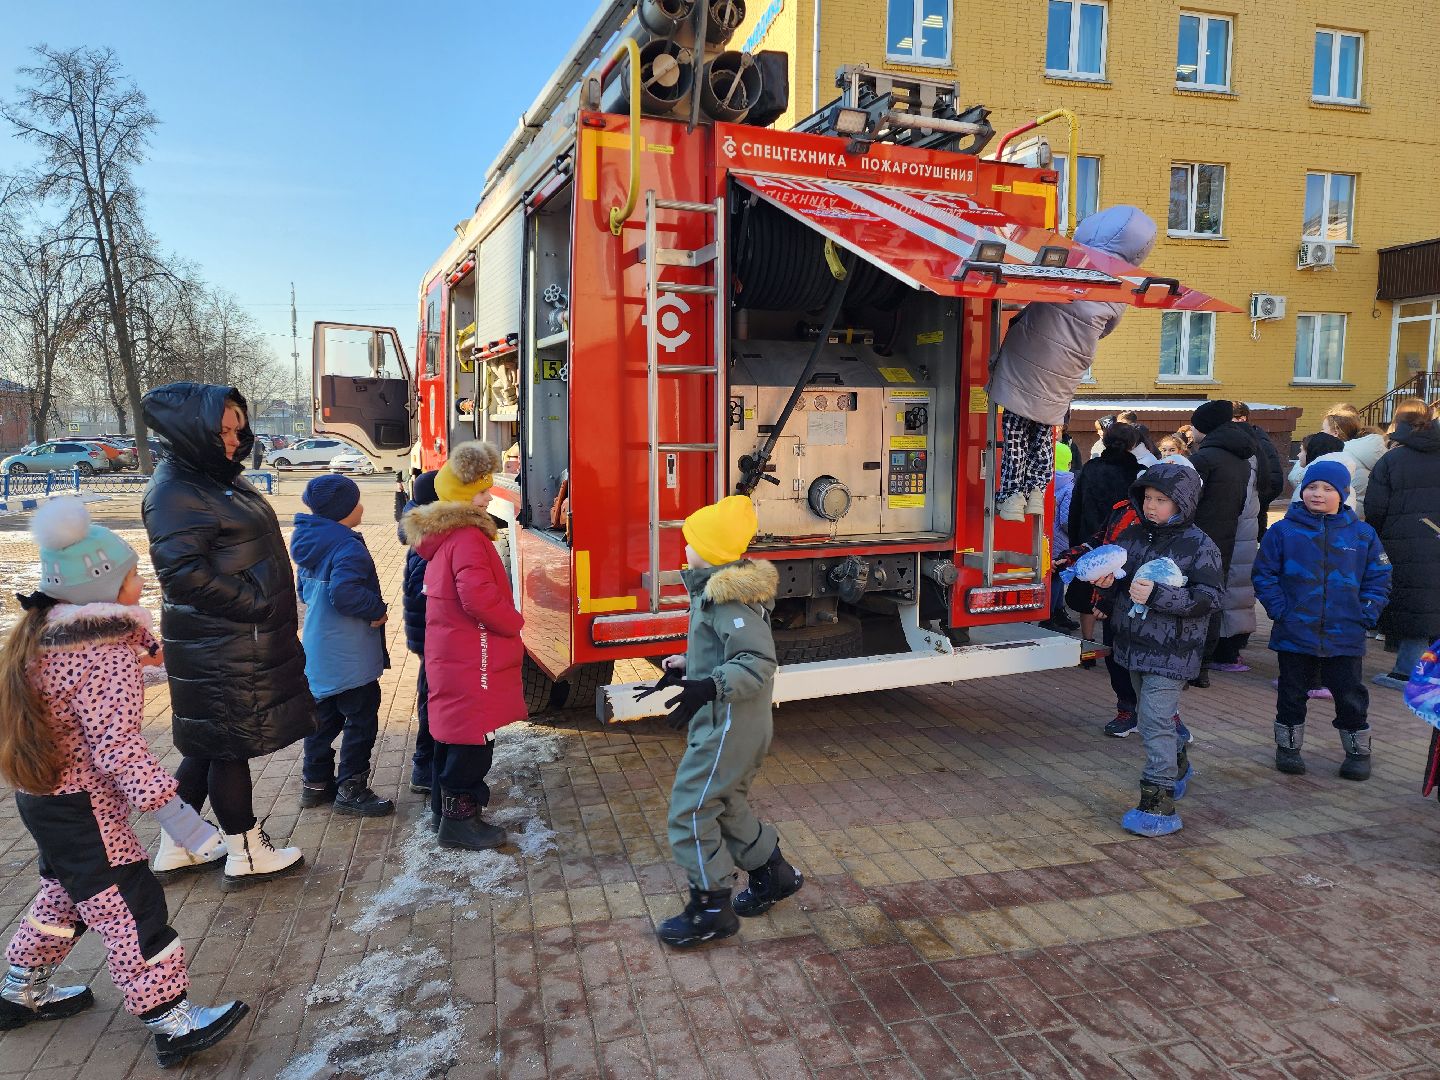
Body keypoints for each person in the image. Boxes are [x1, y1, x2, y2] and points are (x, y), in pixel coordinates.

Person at [0, 498, 246, 1067]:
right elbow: (119, 750)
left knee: (68, 895)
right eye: (134, 574)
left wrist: (168, 658)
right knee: (127, 906)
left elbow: (113, 682)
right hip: (84, 807)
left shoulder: (53, 635)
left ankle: (20, 987)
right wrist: (183, 822)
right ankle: (172, 1017)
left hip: (46, 800)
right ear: (102, 587)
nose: (143, 582)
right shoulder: (103, 654)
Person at [141, 383, 308, 887]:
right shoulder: (175, 490)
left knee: (209, 744)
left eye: (239, 428)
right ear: (193, 433)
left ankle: (180, 842)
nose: (235, 439)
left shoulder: (211, 479)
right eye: (224, 431)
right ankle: (247, 850)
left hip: (229, 641)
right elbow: (183, 575)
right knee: (228, 746)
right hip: (223, 643)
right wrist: (256, 604)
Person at [644, 495, 802, 948]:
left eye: (689, 542)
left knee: (691, 811)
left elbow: (756, 660)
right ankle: (775, 874)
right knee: (726, 803)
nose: (683, 551)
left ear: (709, 552)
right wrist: (688, 665)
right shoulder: (717, 592)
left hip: (728, 725)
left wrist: (710, 686)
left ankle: (711, 908)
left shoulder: (725, 597)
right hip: (733, 722)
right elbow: (724, 652)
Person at [986, 207, 1157, 520]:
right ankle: (1036, 492)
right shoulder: (1120, 287)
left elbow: (1022, 292)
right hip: (1066, 372)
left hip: (1027, 361)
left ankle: (1011, 497)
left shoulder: (1066, 265)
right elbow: (1104, 330)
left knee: (1014, 433)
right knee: (1042, 435)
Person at [402, 441, 524, 850]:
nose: (490, 497)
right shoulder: (470, 538)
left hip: (455, 652)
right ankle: (459, 821)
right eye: (482, 491)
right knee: (473, 738)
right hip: (474, 654)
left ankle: (444, 809)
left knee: (453, 734)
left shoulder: (446, 536)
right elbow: (478, 598)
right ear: (463, 497)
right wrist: (514, 621)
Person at [1093, 463, 1223, 837]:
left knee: (1151, 720)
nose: (1151, 506)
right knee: (1154, 718)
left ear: (1182, 502)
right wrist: (1107, 585)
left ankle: (1157, 800)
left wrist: (1160, 595)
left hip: (1174, 650)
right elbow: (1122, 582)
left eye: (1161, 500)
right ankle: (1178, 759)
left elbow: (1211, 598)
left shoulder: (1200, 545)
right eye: (1147, 498)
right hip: (1132, 646)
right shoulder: (1133, 536)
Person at [1255, 461, 1391, 779]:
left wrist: (1366, 613)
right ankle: (1288, 748)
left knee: (1350, 695)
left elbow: (1380, 576)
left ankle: (1358, 752)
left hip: (1346, 633)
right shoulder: (1283, 531)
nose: (1318, 494)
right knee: (1291, 693)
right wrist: (1280, 610)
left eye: (1328, 489)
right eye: (1312, 487)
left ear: (1343, 494)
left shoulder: (1362, 534)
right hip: (1295, 631)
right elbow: (1264, 574)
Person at [291, 474, 394, 817]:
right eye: (357, 500)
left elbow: (304, 592)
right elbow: (345, 593)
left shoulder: (309, 541)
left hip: (320, 652)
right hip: (349, 655)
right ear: (344, 510)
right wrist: (377, 610)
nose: (362, 506)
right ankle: (351, 788)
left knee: (322, 721)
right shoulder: (347, 545)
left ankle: (315, 784)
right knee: (361, 720)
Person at [1366, 399, 1440, 690]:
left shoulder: (1392, 460)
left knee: (1414, 606)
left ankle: (1406, 670)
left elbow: (1375, 507)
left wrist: (1381, 536)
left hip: (1405, 540)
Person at [1185, 399, 1256, 687]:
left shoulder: (1203, 459)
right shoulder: (1241, 459)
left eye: (1194, 424)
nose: (1190, 430)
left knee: (1187, 602)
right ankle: (1202, 667)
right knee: (1211, 601)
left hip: (1193, 540)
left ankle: (1187, 665)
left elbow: (1184, 501)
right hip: (1223, 540)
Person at [1067, 423, 1145, 643]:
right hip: (1124, 544)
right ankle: (1112, 643)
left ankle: (1088, 644)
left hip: (1089, 537)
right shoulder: (1137, 472)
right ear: (1133, 444)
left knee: (1087, 594)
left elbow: (1076, 506)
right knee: (1117, 591)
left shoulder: (1091, 468)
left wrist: (1076, 543)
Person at [399, 470, 440, 793]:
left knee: (431, 697)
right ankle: (424, 768)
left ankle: (426, 765)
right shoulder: (429, 545)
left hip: (429, 637)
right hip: (433, 638)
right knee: (432, 700)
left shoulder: (423, 535)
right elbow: (422, 593)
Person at [1209, 451, 1260, 673]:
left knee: (1228, 592)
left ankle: (1225, 653)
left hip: (1228, 534)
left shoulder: (1224, 463)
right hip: (1247, 533)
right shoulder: (1255, 463)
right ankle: (1233, 650)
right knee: (1240, 591)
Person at [1041, 442, 1079, 632]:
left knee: (1048, 575)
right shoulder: (1069, 486)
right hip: (1060, 540)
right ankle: (1051, 616)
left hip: (1044, 536)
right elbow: (1066, 520)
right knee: (1056, 578)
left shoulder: (1044, 480)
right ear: (1069, 462)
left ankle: (1051, 613)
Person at [1230, 404, 1284, 536]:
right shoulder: (1235, 440)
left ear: (1241, 419)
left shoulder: (1259, 442)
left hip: (1252, 519)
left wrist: (1253, 502)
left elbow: (1274, 481)